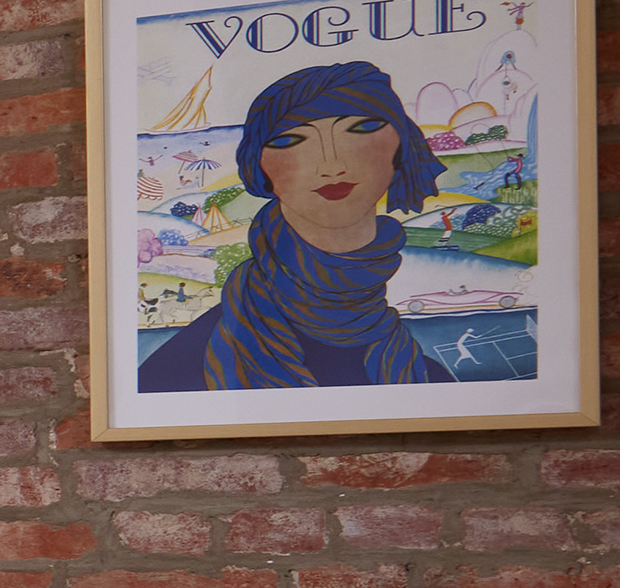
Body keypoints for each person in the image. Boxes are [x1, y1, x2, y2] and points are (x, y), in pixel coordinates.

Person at [138, 58, 449, 392]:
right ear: (258, 167)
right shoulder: (171, 375)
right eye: (289, 141)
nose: (331, 164)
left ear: (402, 147)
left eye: (361, 129)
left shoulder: (429, 380)